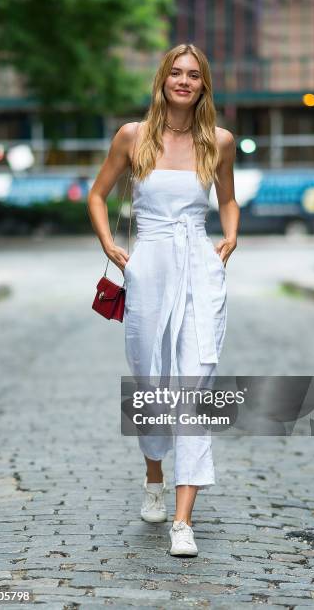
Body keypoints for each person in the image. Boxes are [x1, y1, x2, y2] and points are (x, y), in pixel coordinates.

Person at [88, 44, 240, 557]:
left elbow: (227, 199)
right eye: (175, 72)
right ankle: (154, 473)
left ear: (203, 85)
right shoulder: (134, 136)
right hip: (148, 267)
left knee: (196, 384)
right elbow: (97, 194)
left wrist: (231, 238)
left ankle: (182, 520)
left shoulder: (219, 141)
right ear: (162, 79)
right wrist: (111, 245)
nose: (183, 80)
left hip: (199, 266)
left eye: (193, 74)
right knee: (151, 380)